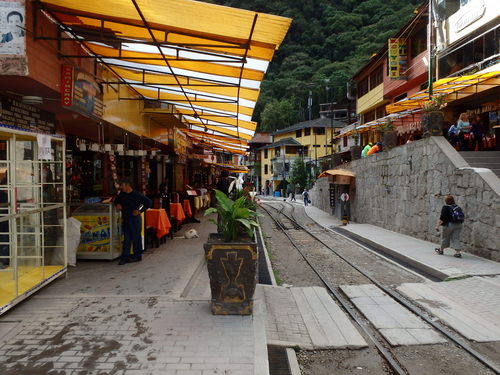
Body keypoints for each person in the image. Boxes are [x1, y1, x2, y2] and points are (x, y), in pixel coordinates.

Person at [114, 178, 152, 265]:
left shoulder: (136, 194)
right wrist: (118, 204)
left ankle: (137, 256)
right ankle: (125, 257)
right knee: (127, 238)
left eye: (122, 185)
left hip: (134, 219)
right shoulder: (122, 194)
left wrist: (140, 210)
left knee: (136, 238)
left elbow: (149, 202)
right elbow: (117, 201)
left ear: (128, 185)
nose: (121, 187)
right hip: (126, 218)